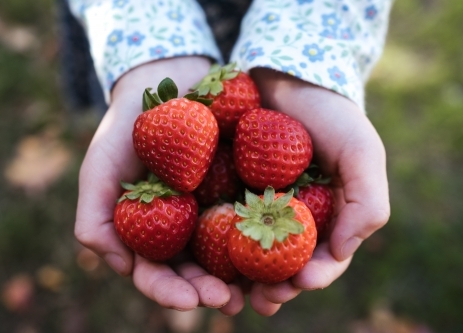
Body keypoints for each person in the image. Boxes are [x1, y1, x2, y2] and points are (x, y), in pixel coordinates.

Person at [65, 0, 392, 316]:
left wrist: (301, 67)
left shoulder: (222, 129)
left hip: (284, 36)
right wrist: (150, 50)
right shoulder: (190, 126)